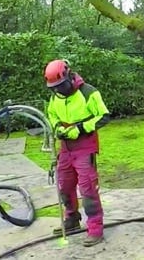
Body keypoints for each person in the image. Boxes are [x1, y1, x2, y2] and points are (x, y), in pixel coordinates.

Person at [44, 59, 110, 247]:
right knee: (64, 185)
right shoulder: (56, 96)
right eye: (54, 87)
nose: (58, 90)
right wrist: (57, 127)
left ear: (68, 76)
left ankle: (95, 227)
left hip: (85, 146)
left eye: (60, 85)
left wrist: (80, 128)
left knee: (88, 188)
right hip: (65, 147)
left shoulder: (88, 92)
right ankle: (72, 218)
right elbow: (52, 113)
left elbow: (104, 116)